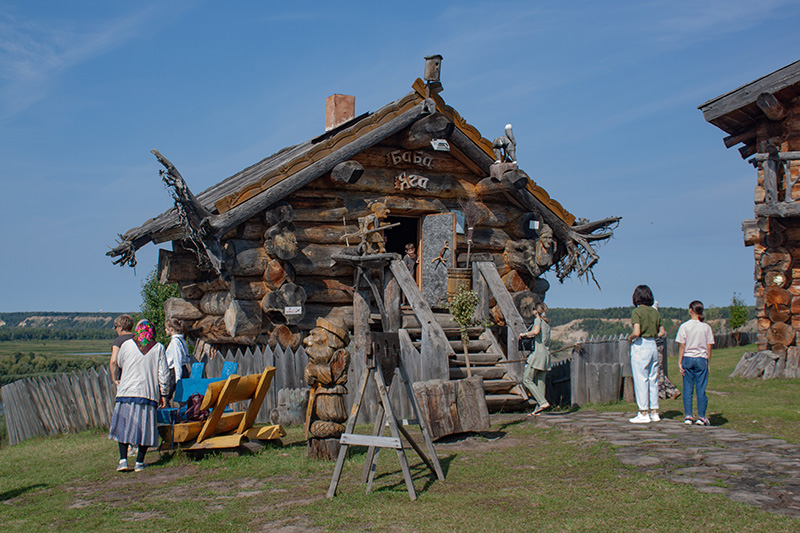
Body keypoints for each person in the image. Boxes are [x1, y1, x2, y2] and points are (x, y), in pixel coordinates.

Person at [109, 319, 170, 472]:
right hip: (146, 392)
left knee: (123, 425)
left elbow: (120, 362)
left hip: (126, 391)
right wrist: (164, 393)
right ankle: (139, 462)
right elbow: (163, 374)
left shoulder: (127, 345)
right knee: (145, 428)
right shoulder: (158, 348)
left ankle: (123, 460)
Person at [628, 285, 666, 424]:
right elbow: (662, 332)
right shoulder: (655, 312)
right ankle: (654, 411)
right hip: (653, 344)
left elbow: (636, 331)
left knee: (641, 378)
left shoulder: (637, 312)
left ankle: (643, 412)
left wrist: (630, 338)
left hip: (641, 344)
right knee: (653, 378)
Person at [676, 300, 715, 426]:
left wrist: (679, 361)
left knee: (687, 388)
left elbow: (682, 345)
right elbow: (709, 347)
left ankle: (688, 416)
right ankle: (701, 416)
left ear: (690, 310)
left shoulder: (684, 326)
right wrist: (708, 362)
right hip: (701, 359)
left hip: (688, 357)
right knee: (701, 389)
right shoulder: (706, 327)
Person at [520, 302, 551, 416]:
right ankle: (538, 409)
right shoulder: (547, 324)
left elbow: (536, 331)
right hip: (546, 355)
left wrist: (525, 334)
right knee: (540, 382)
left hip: (537, 354)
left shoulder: (537, 320)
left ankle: (542, 402)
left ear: (536, 311)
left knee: (526, 379)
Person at [164, 318, 191, 400]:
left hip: (175, 371)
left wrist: (178, 378)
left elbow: (177, 359)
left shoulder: (175, 342)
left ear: (171, 329)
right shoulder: (181, 340)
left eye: (166, 328)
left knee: (166, 396)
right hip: (182, 370)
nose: (165, 330)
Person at [109, 314, 134, 386]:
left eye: (116, 327)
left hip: (124, 377)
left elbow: (113, 361)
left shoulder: (119, 341)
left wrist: (114, 379)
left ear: (120, 327)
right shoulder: (138, 339)